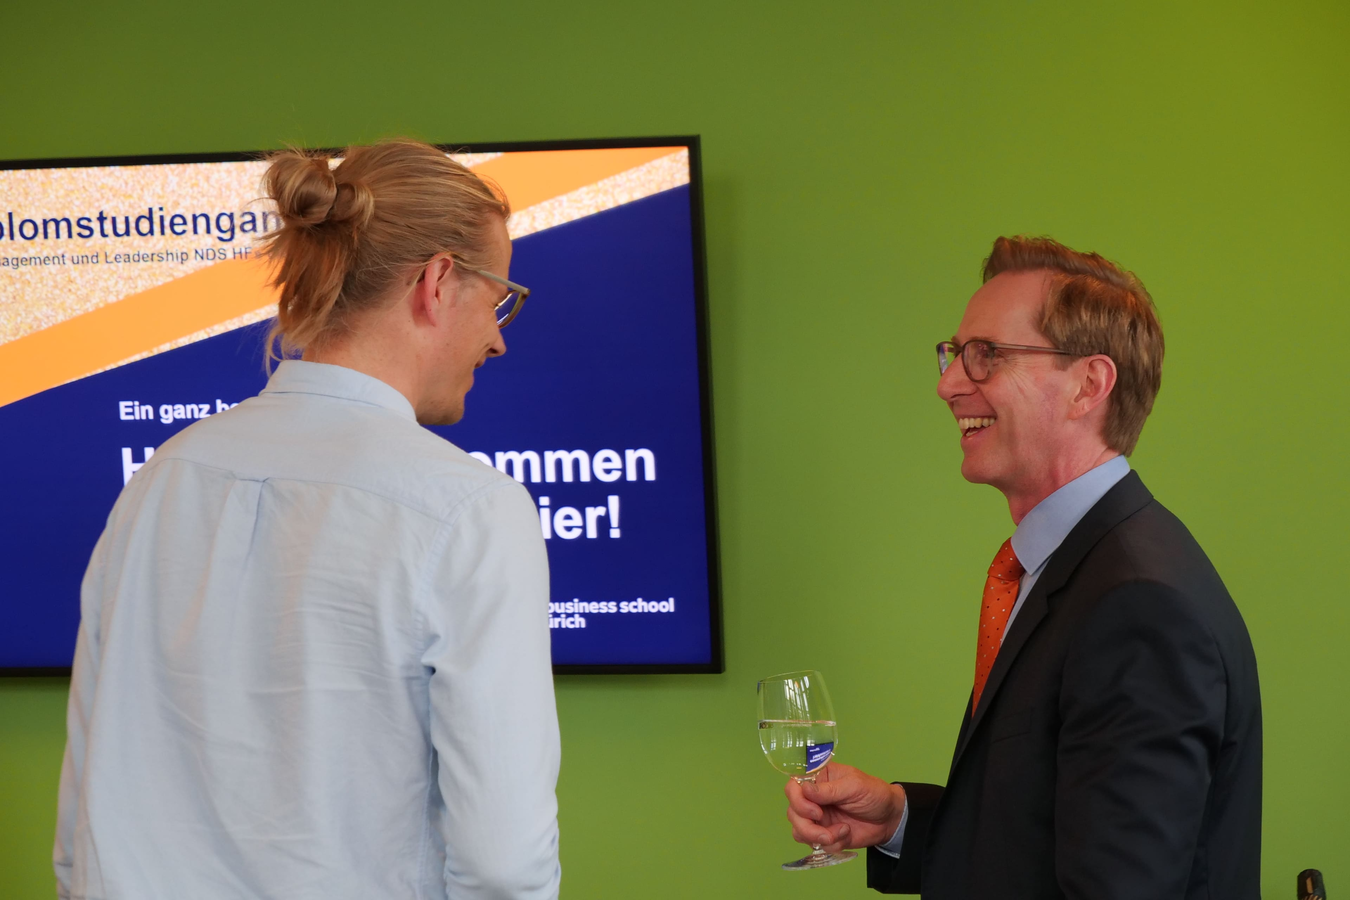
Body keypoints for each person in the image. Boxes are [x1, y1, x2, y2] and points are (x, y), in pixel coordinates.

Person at [54, 140, 561, 900]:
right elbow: (503, 864)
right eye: (498, 301)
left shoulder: (160, 479)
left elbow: (83, 817)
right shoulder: (470, 509)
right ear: (437, 282)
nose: (499, 337)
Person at [784, 236, 1262, 898]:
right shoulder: (1080, 567)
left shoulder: (1138, 606)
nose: (948, 384)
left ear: (1088, 385)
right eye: (954, 354)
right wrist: (898, 820)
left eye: (986, 355)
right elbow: (1043, 839)